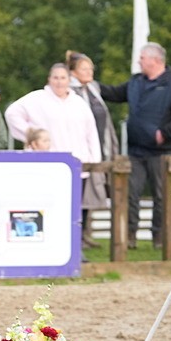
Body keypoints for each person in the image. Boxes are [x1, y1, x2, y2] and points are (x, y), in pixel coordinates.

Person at [98, 43, 171, 249]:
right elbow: (115, 93)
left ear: (155, 60)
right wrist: (91, 84)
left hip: (164, 151)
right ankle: (129, 235)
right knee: (130, 193)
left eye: (142, 58)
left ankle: (160, 237)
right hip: (136, 150)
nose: (139, 61)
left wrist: (166, 133)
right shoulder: (135, 82)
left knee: (163, 195)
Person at [5, 64, 101, 222]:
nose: (59, 82)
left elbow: (91, 132)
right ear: (49, 79)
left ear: (69, 80)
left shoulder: (78, 103)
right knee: (50, 208)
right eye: (55, 77)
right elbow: (12, 113)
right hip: (48, 164)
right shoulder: (37, 98)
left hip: (78, 165)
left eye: (63, 78)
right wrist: (31, 135)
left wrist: (94, 161)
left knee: (74, 211)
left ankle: (75, 244)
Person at [68, 51, 117, 248]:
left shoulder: (94, 89)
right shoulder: (70, 91)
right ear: (73, 72)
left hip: (97, 145)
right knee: (77, 193)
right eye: (84, 68)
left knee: (90, 193)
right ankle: (76, 234)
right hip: (78, 147)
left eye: (91, 68)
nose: (89, 72)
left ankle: (85, 233)